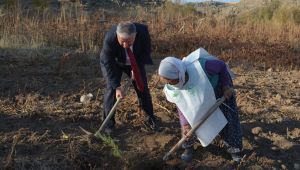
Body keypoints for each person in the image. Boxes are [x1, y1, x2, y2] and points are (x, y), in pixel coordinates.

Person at [158, 49, 243, 162]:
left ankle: (235, 150)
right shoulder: (172, 87)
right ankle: (188, 147)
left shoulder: (202, 67)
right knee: (189, 123)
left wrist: (226, 86)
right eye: (167, 82)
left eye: (170, 81)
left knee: (229, 119)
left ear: (179, 74)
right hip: (197, 97)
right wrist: (185, 124)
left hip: (219, 89)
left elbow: (222, 66)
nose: (169, 84)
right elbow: (182, 105)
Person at [100, 21, 158, 134]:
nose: (126, 45)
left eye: (129, 42)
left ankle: (150, 118)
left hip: (135, 61)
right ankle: (108, 125)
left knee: (142, 88)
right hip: (115, 63)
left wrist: (136, 68)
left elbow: (146, 52)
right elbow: (108, 63)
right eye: (122, 42)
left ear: (135, 35)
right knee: (111, 90)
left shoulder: (143, 32)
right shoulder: (110, 38)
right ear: (117, 35)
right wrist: (117, 86)